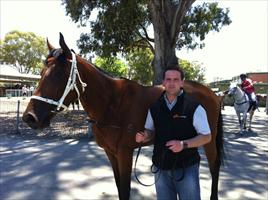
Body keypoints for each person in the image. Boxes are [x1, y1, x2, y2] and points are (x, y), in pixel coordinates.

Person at [135, 66, 211, 200]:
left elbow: (206, 136)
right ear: (163, 82)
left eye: (176, 79)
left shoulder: (194, 107)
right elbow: (150, 130)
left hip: (186, 167)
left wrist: (183, 144)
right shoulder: (154, 107)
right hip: (161, 166)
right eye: (168, 79)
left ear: (182, 82)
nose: (171, 83)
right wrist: (145, 136)